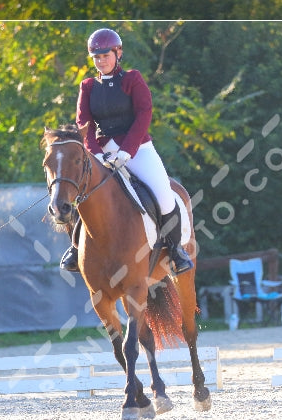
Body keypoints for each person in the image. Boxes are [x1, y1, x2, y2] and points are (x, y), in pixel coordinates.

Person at [59, 27, 194, 275]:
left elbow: (144, 114)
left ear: (117, 53)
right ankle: (76, 248)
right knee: (81, 196)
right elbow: (84, 124)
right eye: (96, 57)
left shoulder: (132, 79)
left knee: (164, 194)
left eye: (105, 56)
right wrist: (96, 154)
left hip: (138, 148)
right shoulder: (88, 86)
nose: (101, 61)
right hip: (102, 151)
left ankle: (175, 250)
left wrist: (127, 151)